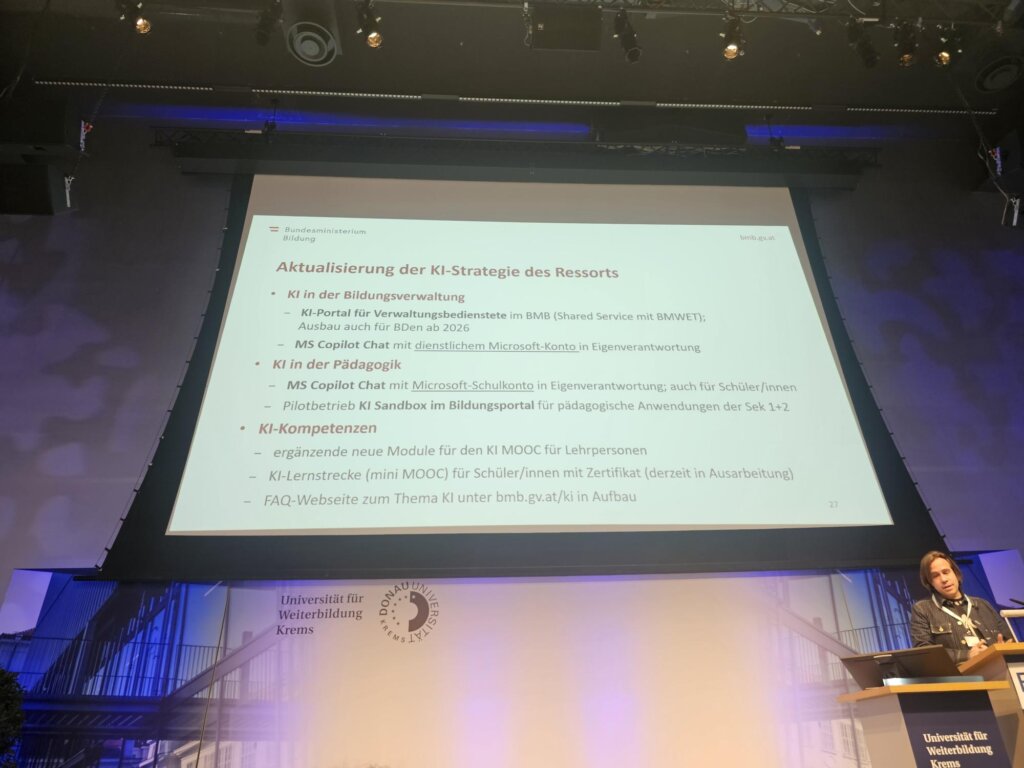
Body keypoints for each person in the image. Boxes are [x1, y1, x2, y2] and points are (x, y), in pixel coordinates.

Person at [909, 550, 1013, 664]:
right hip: (961, 673)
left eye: (946, 572)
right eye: (935, 576)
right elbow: (925, 652)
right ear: (930, 583)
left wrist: (1003, 648)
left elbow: (1010, 640)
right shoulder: (922, 609)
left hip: (1000, 667)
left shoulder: (983, 605)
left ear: (956, 574)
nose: (944, 579)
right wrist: (967, 655)